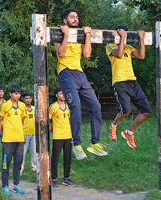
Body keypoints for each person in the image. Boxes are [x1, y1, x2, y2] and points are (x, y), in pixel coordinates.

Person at [55, 8, 107, 160]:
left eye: (77, 17)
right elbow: (61, 53)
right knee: (76, 106)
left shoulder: (80, 35)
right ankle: (77, 144)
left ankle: (95, 143)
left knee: (96, 106)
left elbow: (87, 54)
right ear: (65, 20)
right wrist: (65, 35)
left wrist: (88, 35)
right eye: (72, 17)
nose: (75, 19)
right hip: (66, 72)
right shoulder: (59, 33)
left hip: (80, 74)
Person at [105, 25, 151, 149]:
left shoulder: (129, 47)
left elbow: (141, 56)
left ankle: (129, 132)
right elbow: (119, 54)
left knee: (146, 111)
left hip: (132, 81)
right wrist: (123, 38)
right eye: (120, 34)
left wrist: (141, 39)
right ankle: (113, 125)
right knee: (125, 111)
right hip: (120, 82)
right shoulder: (110, 46)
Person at [0, 85, 26, 197]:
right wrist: (3, 135)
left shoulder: (22, 105)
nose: (17, 95)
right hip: (8, 140)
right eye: (15, 93)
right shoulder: (5, 105)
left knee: (18, 163)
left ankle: (16, 184)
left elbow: (22, 120)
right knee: (6, 164)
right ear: (10, 94)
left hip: (19, 139)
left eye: (19, 93)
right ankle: (5, 186)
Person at [49, 87, 75, 188]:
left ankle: (66, 178)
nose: (62, 95)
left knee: (67, 157)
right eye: (60, 93)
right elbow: (48, 120)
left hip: (68, 135)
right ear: (56, 95)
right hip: (58, 136)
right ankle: (53, 179)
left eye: (63, 93)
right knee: (55, 157)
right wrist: (52, 130)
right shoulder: (53, 107)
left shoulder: (68, 106)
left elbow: (68, 119)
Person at [20, 92, 36, 175]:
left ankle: (33, 167)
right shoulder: (22, 109)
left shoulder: (34, 108)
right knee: (23, 152)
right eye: (26, 98)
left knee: (34, 152)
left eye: (30, 98)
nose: (28, 100)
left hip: (34, 133)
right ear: (23, 100)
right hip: (24, 133)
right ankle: (20, 168)